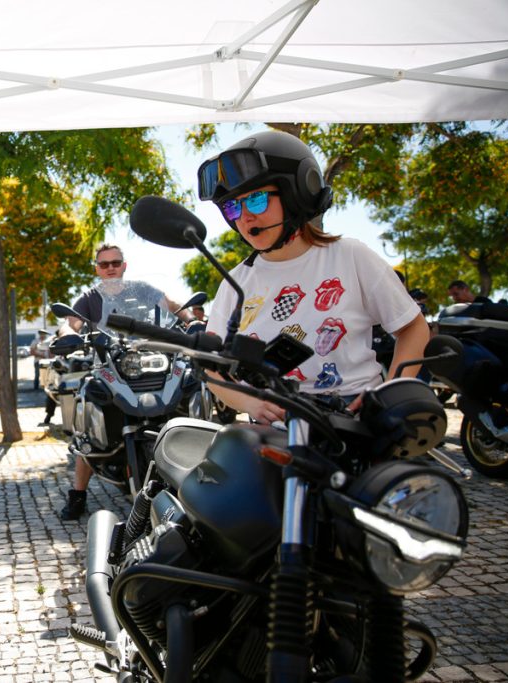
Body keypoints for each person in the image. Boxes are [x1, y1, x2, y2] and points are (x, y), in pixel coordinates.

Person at [196, 130, 430, 424]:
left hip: (354, 421)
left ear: (296, 194)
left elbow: (413, 327)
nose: (244, 217)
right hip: (274, 427)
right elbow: (211, 366)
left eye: (255, 200)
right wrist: (250, 403)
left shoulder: (350, 256)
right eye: (233, 206)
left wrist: (388, 395)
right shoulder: (234, 282)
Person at [60, 244, 186, 520]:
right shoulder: (90, 297)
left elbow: (173, 306)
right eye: (104, 264)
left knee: (185, 387)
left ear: (124, 265)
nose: (111, 268)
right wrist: (67, 333)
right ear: (97, 268)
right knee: (88, 432)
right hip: (108, 366)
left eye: (115, 262)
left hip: (147, 362)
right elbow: (71, 322)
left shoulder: (142, 289)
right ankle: (78, 495)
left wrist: (192, 321)